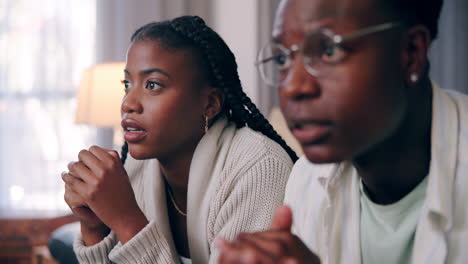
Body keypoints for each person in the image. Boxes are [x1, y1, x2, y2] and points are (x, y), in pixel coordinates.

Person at [217, 0, 468, 263]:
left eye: (329, 51)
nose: (294, 86)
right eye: (283, 58)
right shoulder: (306, 181)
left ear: (411, 52)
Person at [61, 15, 297, 264]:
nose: (128, 103)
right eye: (127, 83)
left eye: (152, 85)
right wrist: (94, 228)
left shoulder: (259, 169)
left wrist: (127, 221)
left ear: (209, 103)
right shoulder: (136, 166)